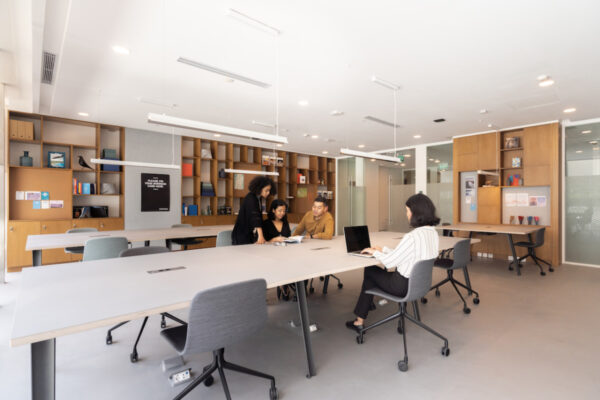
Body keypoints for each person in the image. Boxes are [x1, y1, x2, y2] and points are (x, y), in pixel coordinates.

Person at [345, 193, 440, 333]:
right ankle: (367, 304)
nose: (406, 214)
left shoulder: (412, 237)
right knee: (375, 275)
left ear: (416, 213)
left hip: (401, 286)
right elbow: (405, 255)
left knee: (370, 271)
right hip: (420, 284)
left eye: (407, 210)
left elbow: (390, 263)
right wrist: (382, 249)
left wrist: (374, 252)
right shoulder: (433, 233)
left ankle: (359, 320)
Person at [232, 176, 276, 245]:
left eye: (269, 190)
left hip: (248, 234)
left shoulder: (258, 198)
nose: (268, 193)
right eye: (266, 190)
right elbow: (255, 218)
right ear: (260, 188)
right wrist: (261, 236)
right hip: (241, 236)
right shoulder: (251, 199)